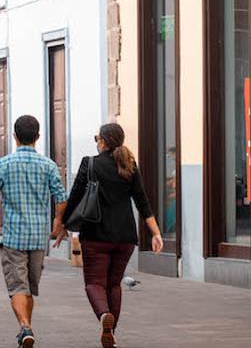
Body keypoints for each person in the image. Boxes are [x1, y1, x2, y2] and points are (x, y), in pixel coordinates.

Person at [54, 123, 164, 348]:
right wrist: (156, 233)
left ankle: (104, 315)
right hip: (125, 236)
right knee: (114, 284)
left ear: (102, 141)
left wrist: (63, 224)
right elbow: (142, 201)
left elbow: (74, 197)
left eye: (97, 138)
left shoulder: (90, 163)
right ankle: (110, 335)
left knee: (94, 282)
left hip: (95, 234)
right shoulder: (129, 165)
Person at [0, 115, 67, 348]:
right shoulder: (48, 165)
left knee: (17, 287)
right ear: (38, 137)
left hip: (14, 237)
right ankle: (26, 330)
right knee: (29, 288)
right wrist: (58, 221)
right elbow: (61, 197)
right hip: (38, 238)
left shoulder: (4, 164)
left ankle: (25, 327)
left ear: (14, 136)